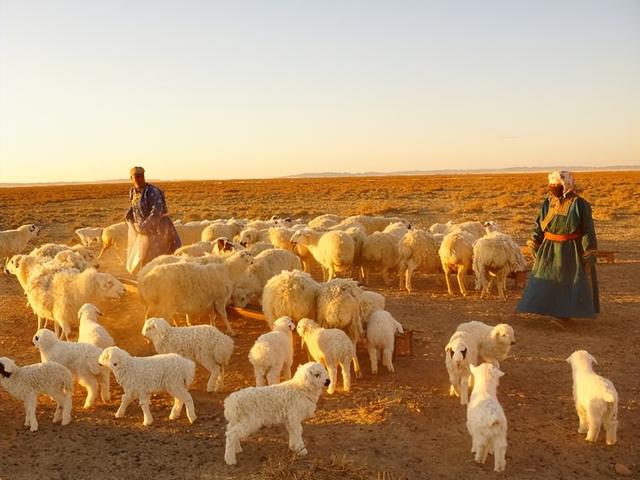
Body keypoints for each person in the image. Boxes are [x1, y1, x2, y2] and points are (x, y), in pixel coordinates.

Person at [516, 171, 599, 319]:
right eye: (551, 184)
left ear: (565, 184)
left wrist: (589, 252)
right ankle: (546, 309)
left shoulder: (580, 204)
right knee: (546, 279)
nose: (552, 187)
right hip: (548, 248)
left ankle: (564, 314)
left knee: (567, 281)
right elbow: (540, 224)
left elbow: (588, 230)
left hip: (570, 249)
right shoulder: (549, 202)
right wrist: (535, 241)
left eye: (556, 185)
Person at [124, 166, 181, 272]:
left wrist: (143, 226)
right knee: (143, 256)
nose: (139, 179)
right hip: (143, 231)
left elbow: (157, 211)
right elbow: (133, 207)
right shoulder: (133, 191)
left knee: (157, 259)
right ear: (131, 178)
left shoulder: (152, 191)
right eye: (136, 177)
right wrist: (129, 217)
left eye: (141, 176)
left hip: (159, 229)